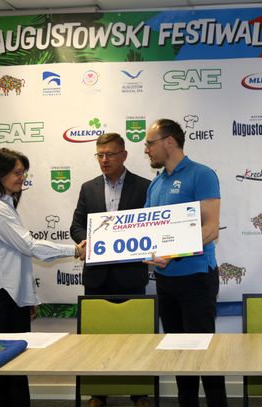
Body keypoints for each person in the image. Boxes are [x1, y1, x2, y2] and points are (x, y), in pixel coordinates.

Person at [0, 148, 86, 407]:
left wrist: (28, 297)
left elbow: (18, 260)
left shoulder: (5, 206)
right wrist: (74, 250)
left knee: (17, 366)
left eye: (24, 173)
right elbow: (28, 246)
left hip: (9, 297)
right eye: (18, 173)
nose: (22, 178)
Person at [143, 119, 227, 407]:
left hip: (196, 278)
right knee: (180, 354)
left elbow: (211, 229)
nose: (146, 150)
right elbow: (147, 230)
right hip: (166, 281)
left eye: (150, 143)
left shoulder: (201, 175)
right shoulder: (155, 184)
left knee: (205, 353)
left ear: (169, 142)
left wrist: (173, 253)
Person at [70, 132, 151, 407]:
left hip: (131, 275)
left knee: (136, 336)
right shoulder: (88, 188)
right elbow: (76, 225)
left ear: (124, 155)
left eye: (110, 155)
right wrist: (89, 240)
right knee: (96, 338)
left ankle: (139, 393)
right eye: (100, 155)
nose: (104, 160)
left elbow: (151, 226)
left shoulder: (144, 187)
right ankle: (98, 393)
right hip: (97, 276)